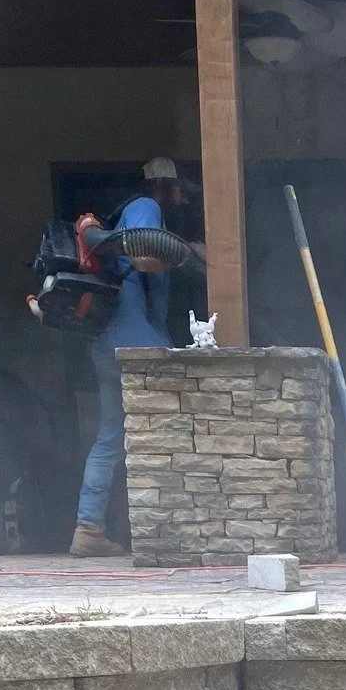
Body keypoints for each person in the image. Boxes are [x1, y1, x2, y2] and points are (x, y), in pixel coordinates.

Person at [71, 156, 201, 557]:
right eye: (178, 187)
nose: (183, 196)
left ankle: (88, 527)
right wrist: (191, 252)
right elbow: (144, 256)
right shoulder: (147, 208)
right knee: (166, 430)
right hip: (134, 337)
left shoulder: (130, 212)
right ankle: (168, 527)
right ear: (161, 185)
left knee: (110, 436)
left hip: (109, 340)